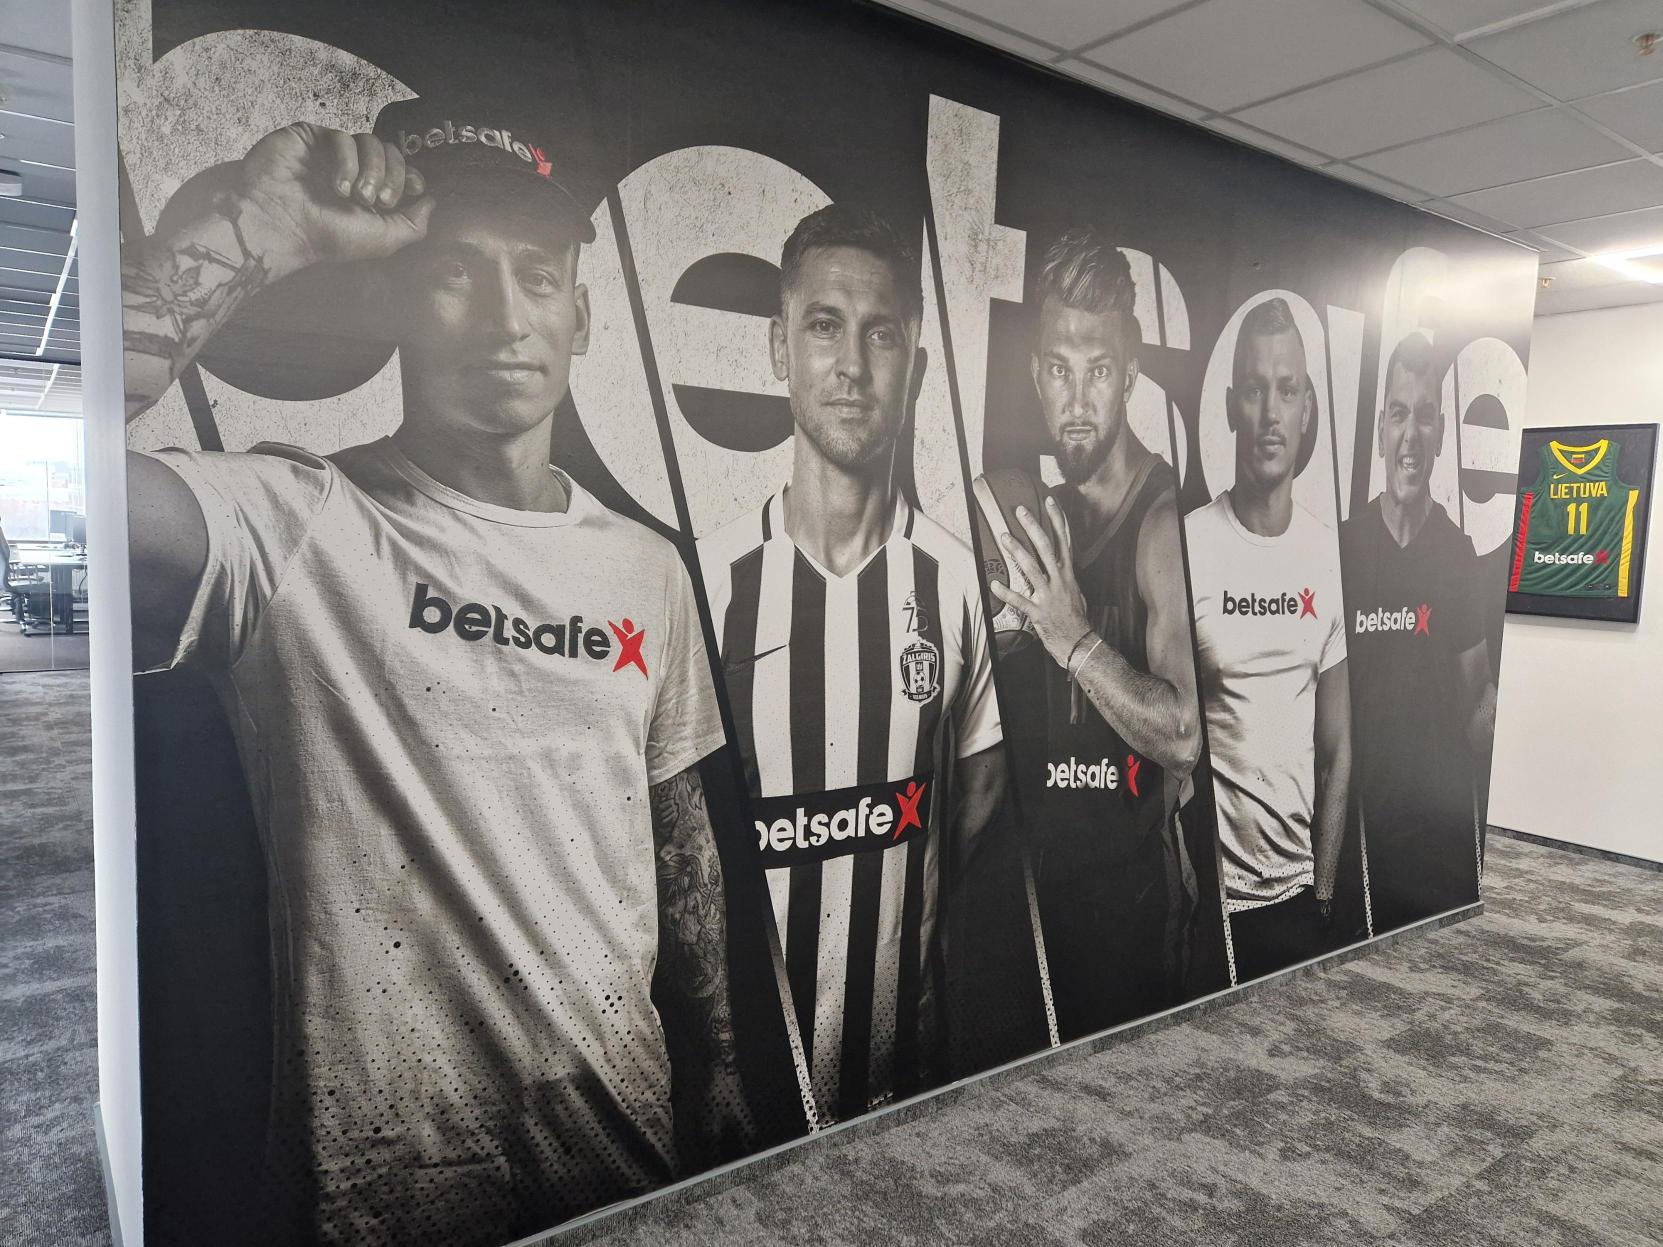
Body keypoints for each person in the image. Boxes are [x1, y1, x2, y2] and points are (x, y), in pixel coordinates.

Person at [121, 101, 748, 1245]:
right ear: (391, 300)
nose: (506, 318)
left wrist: (716, 1072)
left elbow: (676, 837)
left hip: (626, 1166)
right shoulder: (296, 523)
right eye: (455, 272)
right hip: (376, 1197)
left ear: (582, 316)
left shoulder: (645, 567)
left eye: (538, 276)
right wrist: (254, 227)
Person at [697, 204, 1005, 1127]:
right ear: (778, 347)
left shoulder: (956, 582)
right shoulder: (708, 582)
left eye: (881, 334)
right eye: (824, 326)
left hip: (901, 1078)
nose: (851, 366)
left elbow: (975, 794)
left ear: (916, 367)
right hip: (741, 1095)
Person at [979, 228, 1202, 1037]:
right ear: (1035, 373)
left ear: (1129, 375)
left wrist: (1072, 639)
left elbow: (1184, 734)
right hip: (1043, 886)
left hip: (1133, 898)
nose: (1076, 400)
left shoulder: (1162, 524)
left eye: (1098, 371)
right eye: (1058, 370)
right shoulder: (1046, 511)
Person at [1183, 296, 1351, 984]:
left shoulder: (1326, 555)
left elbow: (1337, 748)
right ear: (1231, 406)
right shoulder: (1188, 545)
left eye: (1287, 390)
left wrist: (1324, 889)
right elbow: (1161, 747)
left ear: (1307, 408)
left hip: (1299, 898)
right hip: (1208, 910)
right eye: (1254, 390)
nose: (1270, 413)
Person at [1340, 332, 1493, 932]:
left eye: (1425, 416)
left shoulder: (1458, 554)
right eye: (1399, 414)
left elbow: (1478, 695)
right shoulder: (1344, 550)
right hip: (1360, 830)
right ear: (1381, 428)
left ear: (1441, 433)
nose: (1411, 433)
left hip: (1436, 830)